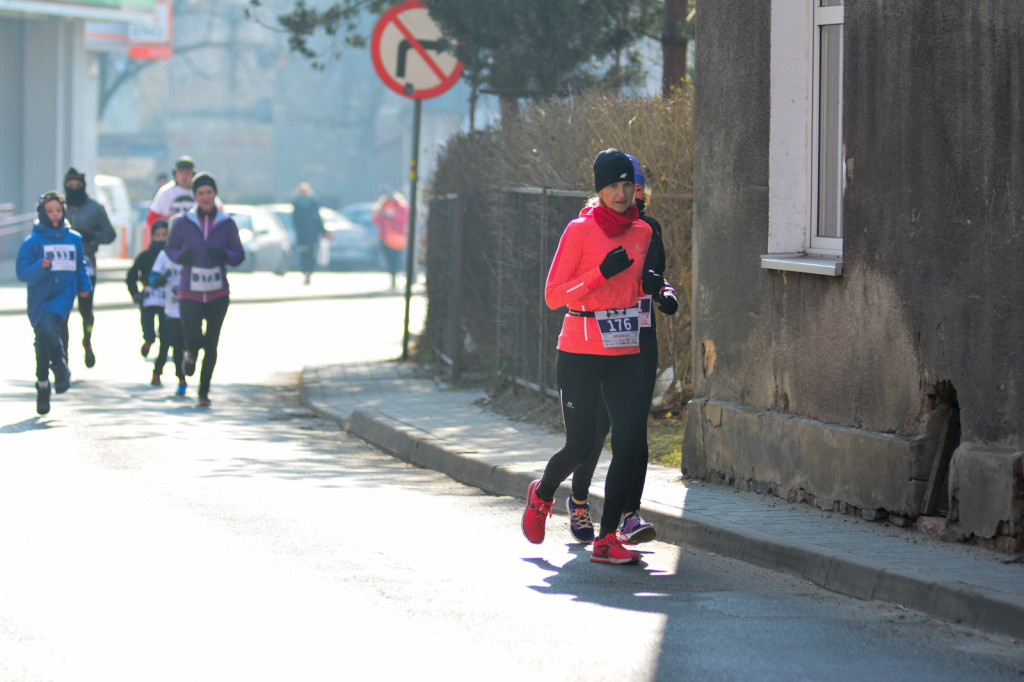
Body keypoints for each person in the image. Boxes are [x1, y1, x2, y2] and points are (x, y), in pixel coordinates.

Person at [521, 148, 656, 565]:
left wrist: (657, 290)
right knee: (581, 445)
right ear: (599, 190)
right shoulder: (579, 231)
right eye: (613, 186)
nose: (621, 193)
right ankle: (542, 494)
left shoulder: (643, 233)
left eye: (627, 185)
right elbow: (552, 296)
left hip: (626, 349)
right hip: (580, 349)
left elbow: (637, 285)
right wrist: (600, 273)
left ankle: (607, 536)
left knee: (630, 441)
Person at [564, 153, 679, 546]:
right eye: (624, 186)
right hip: (599, 338)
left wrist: (664, 293)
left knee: (633, 433)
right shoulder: (590, 227)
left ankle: (629, 514)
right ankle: (579, 501)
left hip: (640, 337)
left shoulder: (650, 230)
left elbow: (655, 276)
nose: (633, 193)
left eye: (637, 186)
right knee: (596, 428)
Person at [163, 172, 244, 407]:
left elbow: (239, 255)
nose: (206, 197)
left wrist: (225, 255)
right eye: (201, 193)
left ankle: (204, 392)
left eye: (209, 192)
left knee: (212, 343)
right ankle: (190, 354)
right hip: (190, 290)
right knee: (194, 337)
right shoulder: (183, 222)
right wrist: (181, 256)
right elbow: (170, 249)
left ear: (215, 194)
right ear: (195, 196)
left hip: (218, 292)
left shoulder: (226, 223)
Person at [16, 191, 93, 415]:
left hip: (63, 295)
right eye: (49, 211)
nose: (55, 215)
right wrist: (41, 265)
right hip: (39, 298)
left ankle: (60, 366)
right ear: (42, 212)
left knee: (51, 326)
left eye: (58, 211)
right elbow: (22, 272)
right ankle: (42, 385)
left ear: (64, 211)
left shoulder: (74, 239)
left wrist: (84, 286)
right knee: (41, 342)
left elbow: (80, 266)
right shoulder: (32, 241)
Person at [62, 167, 116, 369]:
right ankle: (63, 354)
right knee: (62, 311)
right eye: (70, 185)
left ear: (84, 187)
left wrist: (93, 237)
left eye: (78, 186)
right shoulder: (59, 207)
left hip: (86, 264)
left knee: (86, 310)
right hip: (62, 266)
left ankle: (87, 338)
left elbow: (110, 234)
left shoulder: (95, 208)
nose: (74, 189)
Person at [126, 220, 169, 378]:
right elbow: (131, 276)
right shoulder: (144, 256)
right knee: (149, 332)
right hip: (148, 301)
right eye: (157, 235)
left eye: (164, 235)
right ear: (152, 237)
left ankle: (157, 372)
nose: (161, 239)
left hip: (168, 302)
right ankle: (148, 341)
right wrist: (136, 294)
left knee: (166, 338)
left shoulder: (173, 257)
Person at [148, 244, 188, 396]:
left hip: (192, 307)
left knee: (190, 343)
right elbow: (153, 277)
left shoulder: (196, 251)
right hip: (172, 309)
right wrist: (159, 280)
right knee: (176, 344)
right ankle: (181, 379)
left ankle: (190, 359)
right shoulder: (165, 255)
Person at [371, 188, 409, 290]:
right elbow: (375, 219)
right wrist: (383, 213)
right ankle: (392, 279)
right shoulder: (383, 206)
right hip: (385, 238)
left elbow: (405, 217)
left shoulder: (401, 206)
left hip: (397, 237)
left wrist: (393, 215)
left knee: (396, 260)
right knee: (389, 259)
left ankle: (395, 277)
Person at [291, 182, 327, 285]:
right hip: (302, 233)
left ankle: (309, 273)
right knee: (303, 254)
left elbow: (317, 217)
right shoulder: (296, 203)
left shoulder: (313, 202)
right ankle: (305, 272)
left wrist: (322, 230)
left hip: (311, 232)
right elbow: (295, 219)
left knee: (311, 255)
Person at [147, 156, 197, 227]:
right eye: (181, 172)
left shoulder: (201, 191)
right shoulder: (165, 192)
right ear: (175, 174)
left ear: (193, 174)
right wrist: (165, 219)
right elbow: (152, 218)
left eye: (187, 173)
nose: (184, 176)